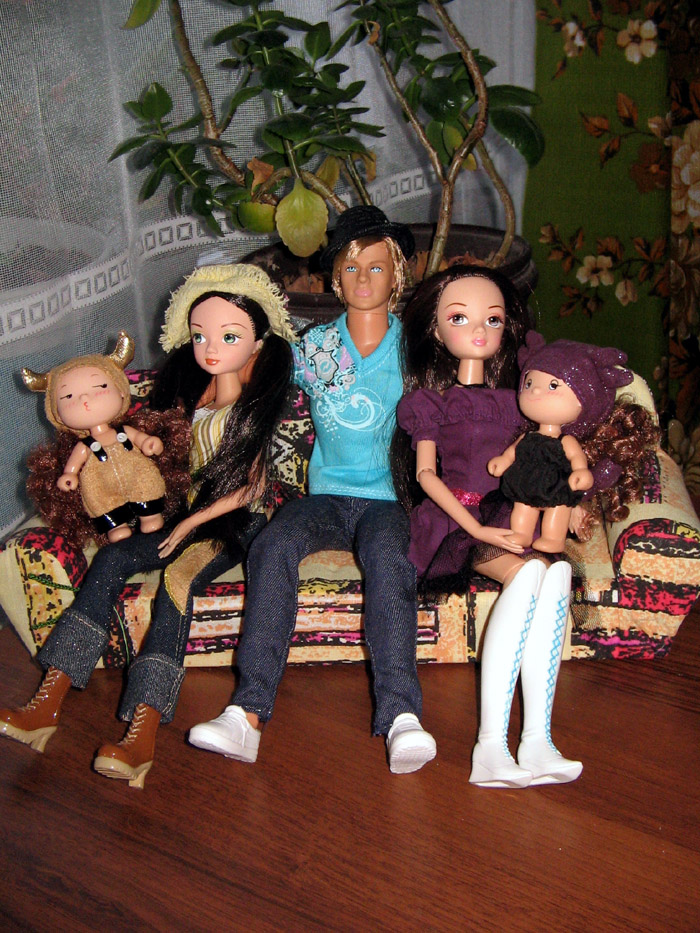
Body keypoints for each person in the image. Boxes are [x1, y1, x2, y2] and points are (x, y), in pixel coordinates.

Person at [0, 263, 295, 788]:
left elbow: (250, 488)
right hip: (183, 513)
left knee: (178, 580)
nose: (211, 348)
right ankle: (47, 700)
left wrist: (189, 525)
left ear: (257, 344)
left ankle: (143, 731)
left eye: (229, 337)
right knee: (115, 557)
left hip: (234, 522)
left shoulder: (251, 408)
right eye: (201, 335)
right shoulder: (192, 396)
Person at [189, 205, 437, 774]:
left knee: (389, 559)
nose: (364, 279)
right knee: (273, 546)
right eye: (351, 268)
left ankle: (402, 715)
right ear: (334, 279)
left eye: (377, 268)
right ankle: (247, 712)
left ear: (397, 276)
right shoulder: (315, 346)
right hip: (324, 495)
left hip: (388, 499)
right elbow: (257, 381)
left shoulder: (415, 349)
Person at [394, 265, 581, 788]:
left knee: (557, 574)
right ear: (435, 330)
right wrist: (474, 531)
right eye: (459, 317)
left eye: (492, 319)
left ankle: (538, 740)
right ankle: (490, 747)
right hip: (456, 518)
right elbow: (426, 476)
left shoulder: (514, 401)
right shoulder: (431, 403)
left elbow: (540, 457)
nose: (478, 329)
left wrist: (572, 501)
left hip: (507, 508)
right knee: (527, 575)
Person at [488, 333, 634, 553]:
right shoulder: (527, 437)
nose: (536, 390)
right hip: (526, 482)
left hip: (556, 485)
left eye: (553, 385)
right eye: (529, 383)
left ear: (584, 401)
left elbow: (576, 458)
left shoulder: (566, 440)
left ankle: (553, 538)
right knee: (522, 508)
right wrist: (503, 461)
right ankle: (521, 533)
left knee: (557, 510)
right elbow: (512, 452)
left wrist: (582, 472)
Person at [21, 333, 167, 543]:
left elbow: (142, 440)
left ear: (122, 392)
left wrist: (148, 442)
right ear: (57, 415)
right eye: (68, 396)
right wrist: (69, 475)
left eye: (100, 387)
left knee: (146, 482)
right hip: (100, 482)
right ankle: (116, 525)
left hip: (135, 471)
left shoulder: (124, 431)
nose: (84, 398)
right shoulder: (84, 446)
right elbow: (73, 467)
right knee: (100, 499)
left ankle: (150, 514)